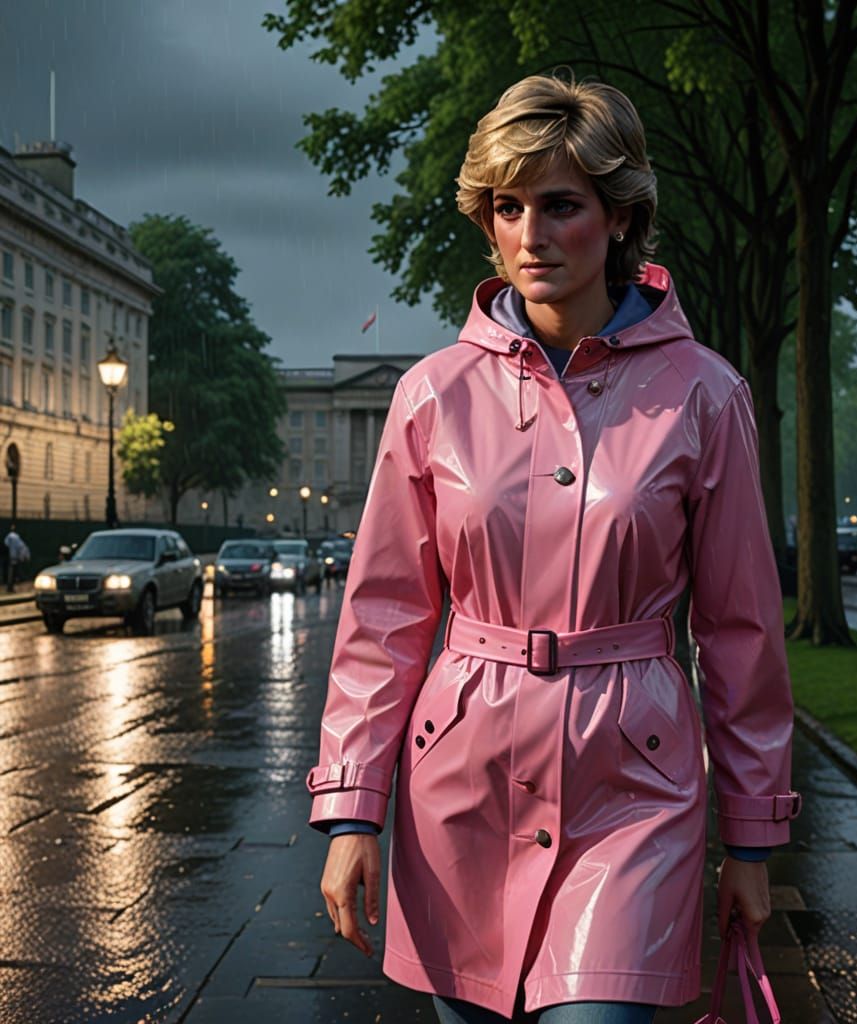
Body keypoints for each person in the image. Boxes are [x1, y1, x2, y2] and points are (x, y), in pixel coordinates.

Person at [309, 73, 801, 1023]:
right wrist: (353, 808)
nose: (531, 232)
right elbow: (385, 617)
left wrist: (751, 840)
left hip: (635, 783)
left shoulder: (707, 396)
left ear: (619, 217)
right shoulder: (430, 395)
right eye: (508, 205)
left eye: (560, 204)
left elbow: (741, 631)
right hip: (459, 783)